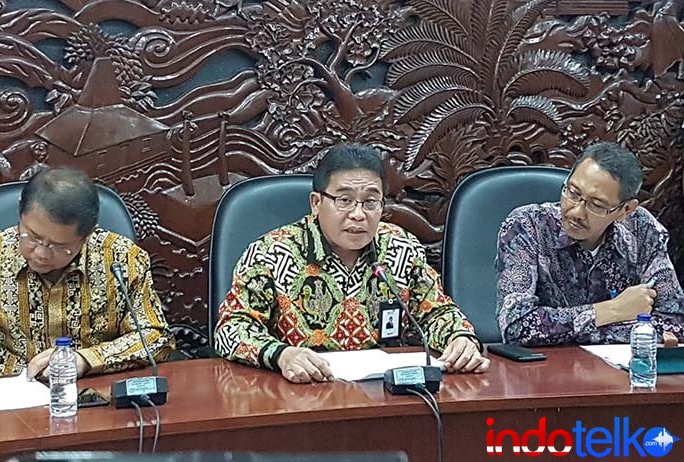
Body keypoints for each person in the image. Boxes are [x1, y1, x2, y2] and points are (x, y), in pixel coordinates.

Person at [214, 144, 489, 383]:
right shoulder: (271, 253)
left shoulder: (401, 248)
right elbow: (230, 329)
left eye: (370, 202)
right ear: (316, 203)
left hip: (384, 395)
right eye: (344, 200)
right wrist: (282, 355)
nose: (358, 214)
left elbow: (436, 312)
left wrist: (460, 338)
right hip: (300, 395)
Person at [0, 168, 174, 383]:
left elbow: (155, 337)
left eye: (59, 246)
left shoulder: (122, 259)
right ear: (21, 214)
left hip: (91, 399)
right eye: (32, 236)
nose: (41, 253)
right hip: (4, 402)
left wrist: (86, 360)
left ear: (87, 236)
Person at [496, 142, 684, 346]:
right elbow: (516, 326)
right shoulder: (526, 226)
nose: (577, 212)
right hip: (544, 364)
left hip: (619, 366)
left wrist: (578, 329)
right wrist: (613, 310)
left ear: (626, 210)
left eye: (596, 205)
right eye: (573, 193)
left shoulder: (642, 229)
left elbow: (675, 323)